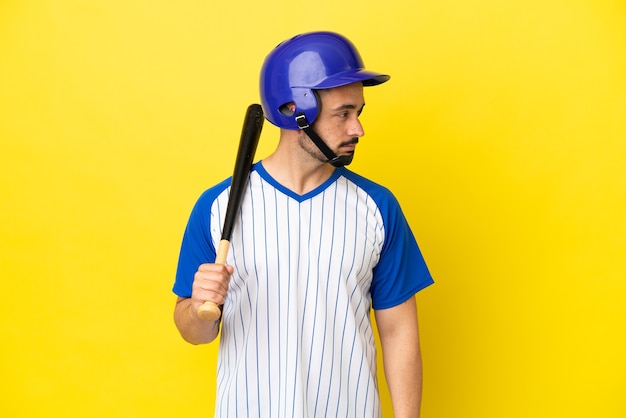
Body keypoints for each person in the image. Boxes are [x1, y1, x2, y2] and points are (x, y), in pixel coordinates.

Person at [173, 31, 434, 418]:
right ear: (294, 109)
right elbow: (194, 332)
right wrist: (196, 308)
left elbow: (399, 334)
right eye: (343, 114)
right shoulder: (217, 207)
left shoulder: (377, 207)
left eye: (358, 114)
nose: (357, 129)